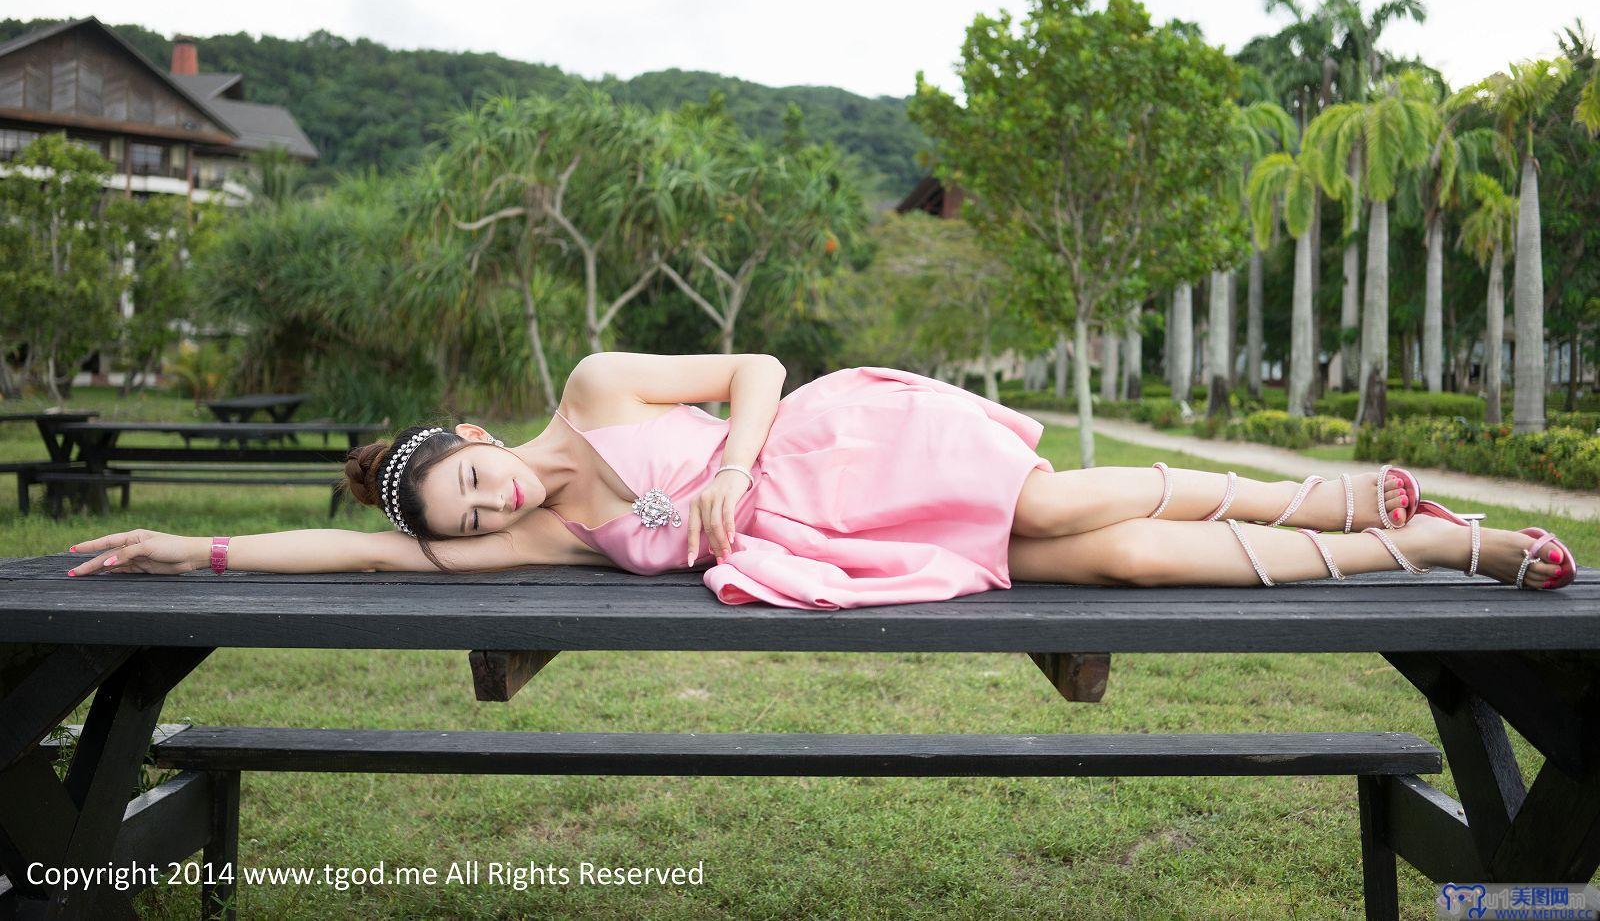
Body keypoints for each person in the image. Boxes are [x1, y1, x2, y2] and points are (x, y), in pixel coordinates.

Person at [64, 352, 1577, 610]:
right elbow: (345, 558)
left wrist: (725, 471)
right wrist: (187, 551)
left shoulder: (590, 397)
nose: (490, 514)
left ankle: (1357, 503)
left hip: (834, 454)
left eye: (473, 489)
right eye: (469, 526)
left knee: (1058, 502)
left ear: (468, 438)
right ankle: (1426, 551)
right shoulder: (499, 551)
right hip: (844, 554)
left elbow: (757, 370)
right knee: (1106, 567)